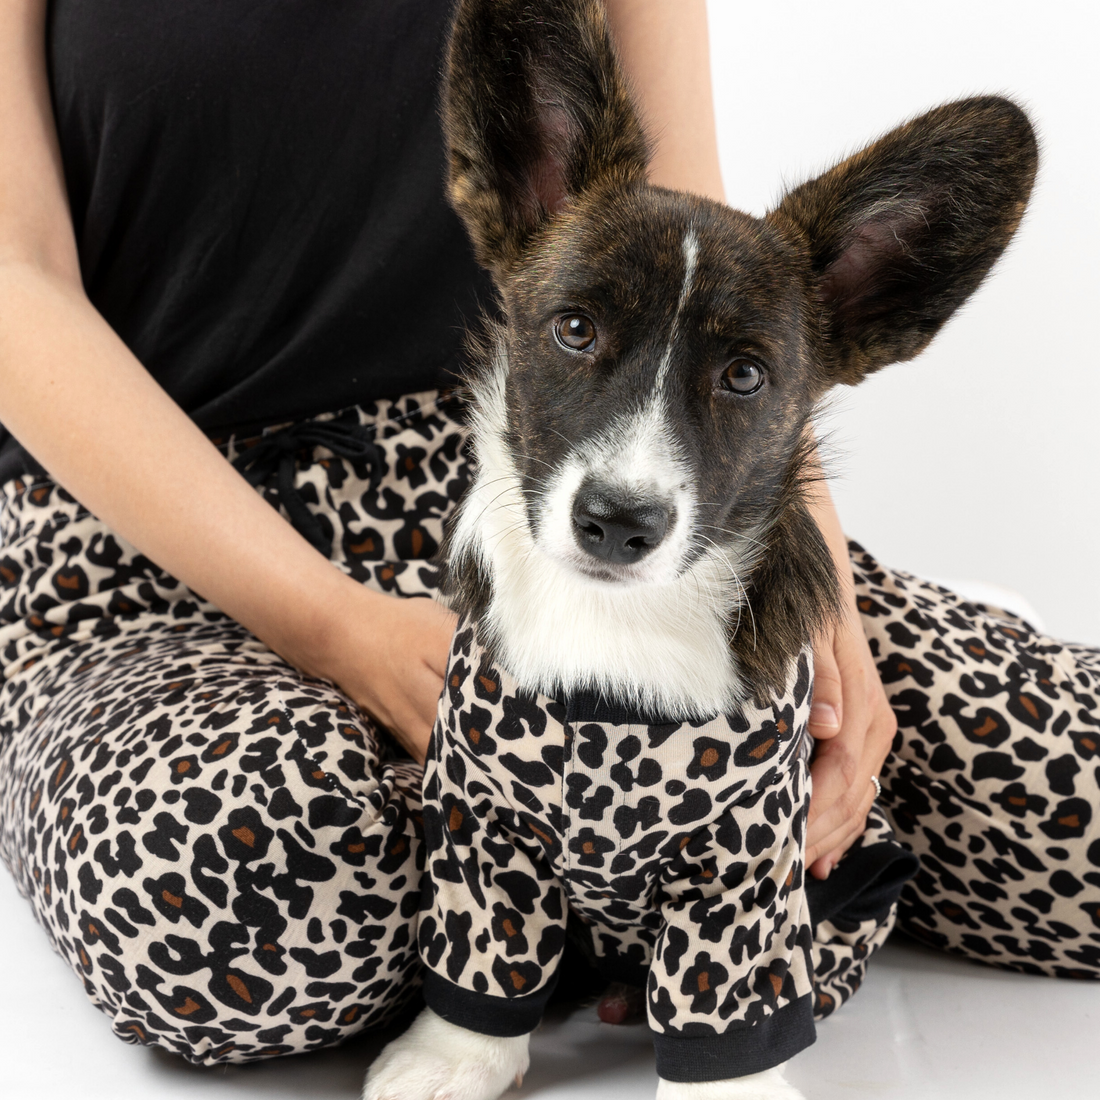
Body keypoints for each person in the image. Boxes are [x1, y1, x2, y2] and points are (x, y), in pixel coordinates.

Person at [0, 0, 1095, 1069]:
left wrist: (824, 599)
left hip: (589, 518)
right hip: (149, 552)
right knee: (218, 888)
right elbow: (13, 280)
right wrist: (335, 626)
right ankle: (679, 920)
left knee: (1069, 785)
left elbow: (702, 244)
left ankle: (685, 894)